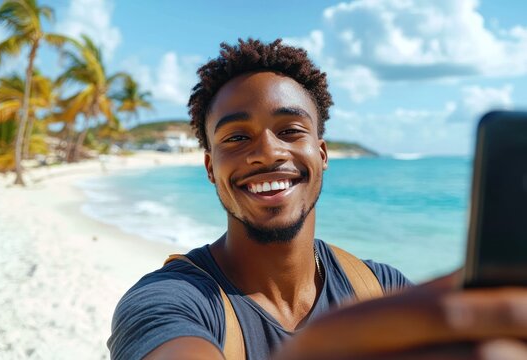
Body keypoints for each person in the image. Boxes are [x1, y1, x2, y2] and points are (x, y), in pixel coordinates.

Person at [108, 39, 527, 360]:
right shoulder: (167, 303)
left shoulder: (382, 288)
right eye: (237, 138)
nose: (268, 152)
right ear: (209, 168)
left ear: (322, 155)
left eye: (290, 130)